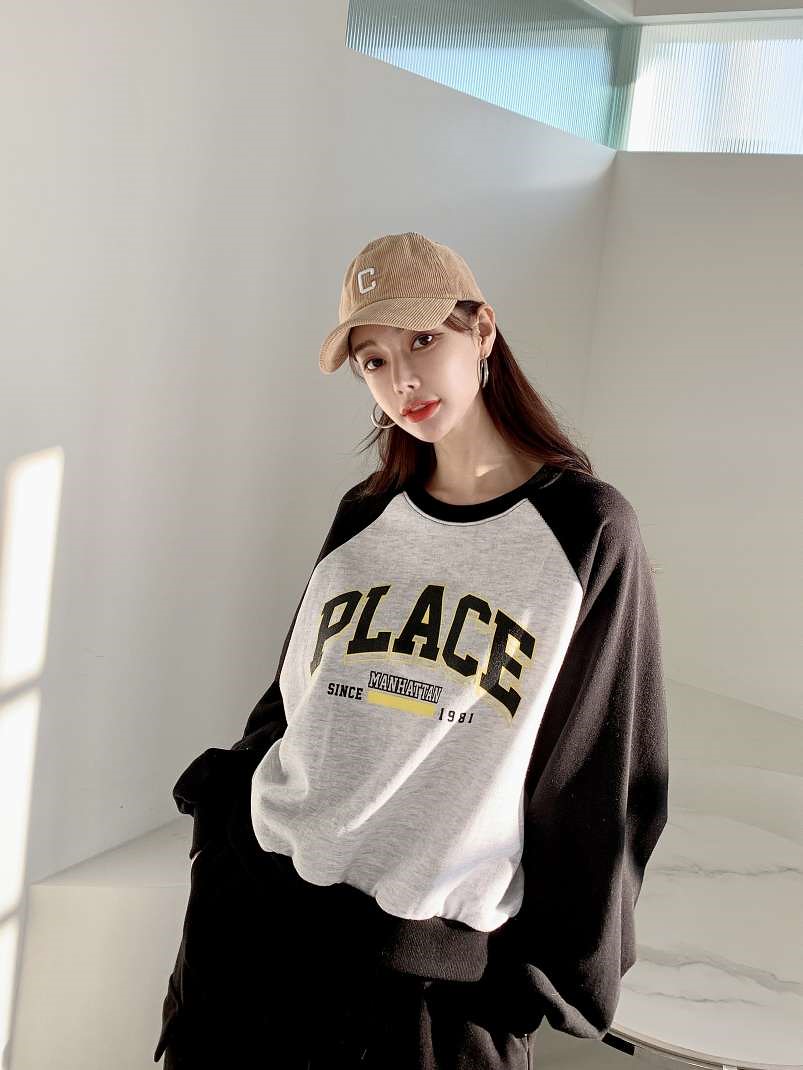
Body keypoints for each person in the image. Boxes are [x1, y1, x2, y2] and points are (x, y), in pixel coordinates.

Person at [154, 231, 669, 1069]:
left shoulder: (585, 529)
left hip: (424, 981)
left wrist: (542, 984)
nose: (402, 379)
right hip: (256, 923)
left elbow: (601, 769)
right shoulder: (365, 513)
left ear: (482, 331)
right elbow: (291, 703)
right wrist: (222, 826)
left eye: (422, 340)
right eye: (374, 360)